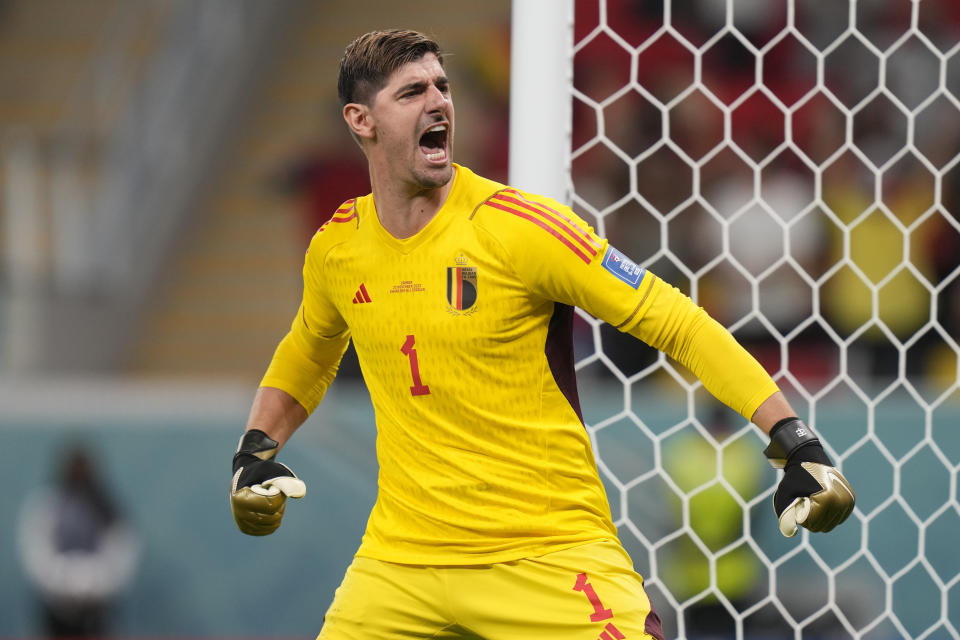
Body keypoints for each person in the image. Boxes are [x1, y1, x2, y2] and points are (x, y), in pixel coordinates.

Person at [228, 29, 856, 638]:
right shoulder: (337, 248)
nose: (439, 101)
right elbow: (308, 350)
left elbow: (679, 323)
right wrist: (256, 451)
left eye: (441, 86)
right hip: (402, 562)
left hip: (548, 552)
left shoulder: (519, 229)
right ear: (361, 120)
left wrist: (791, 438)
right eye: (412, 91)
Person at [18, 442, 139, 638]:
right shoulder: (48, 507)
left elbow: (120, 557)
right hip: (56, 613)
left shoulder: (109, 509)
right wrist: (67, 582)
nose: (79, 474)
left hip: (99, 614)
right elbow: (38, 556)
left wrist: (92, 584)